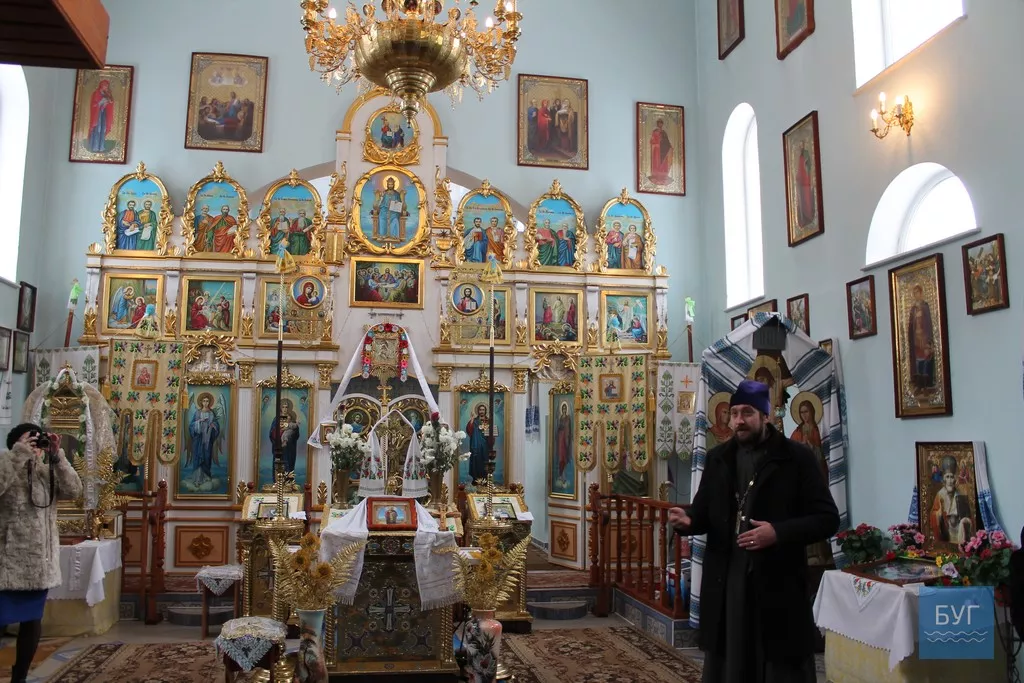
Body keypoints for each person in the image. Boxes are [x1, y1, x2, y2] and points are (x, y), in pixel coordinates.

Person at [669, 380, 838, 683]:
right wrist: (688, 520)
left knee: (777, 668)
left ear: (766, 415)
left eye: (747, 413)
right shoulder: (718, 458)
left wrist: (778, 532)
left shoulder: (796, 458)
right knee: (730, 663)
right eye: (734, 413)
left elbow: (827, 519)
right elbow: (704, 512)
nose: (738, 421)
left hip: (777, 582)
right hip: (728, 580)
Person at [0, 423, 83, 682]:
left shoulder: (46, 472)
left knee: (32, 622)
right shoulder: (5, 464)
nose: (36, 446)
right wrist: (19, 453)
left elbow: (74, 490)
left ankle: (20, 676)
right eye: (31, 441)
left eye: (38, 442)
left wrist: (57, 456)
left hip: (39, 564)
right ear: (16, 443)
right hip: (8, 563)